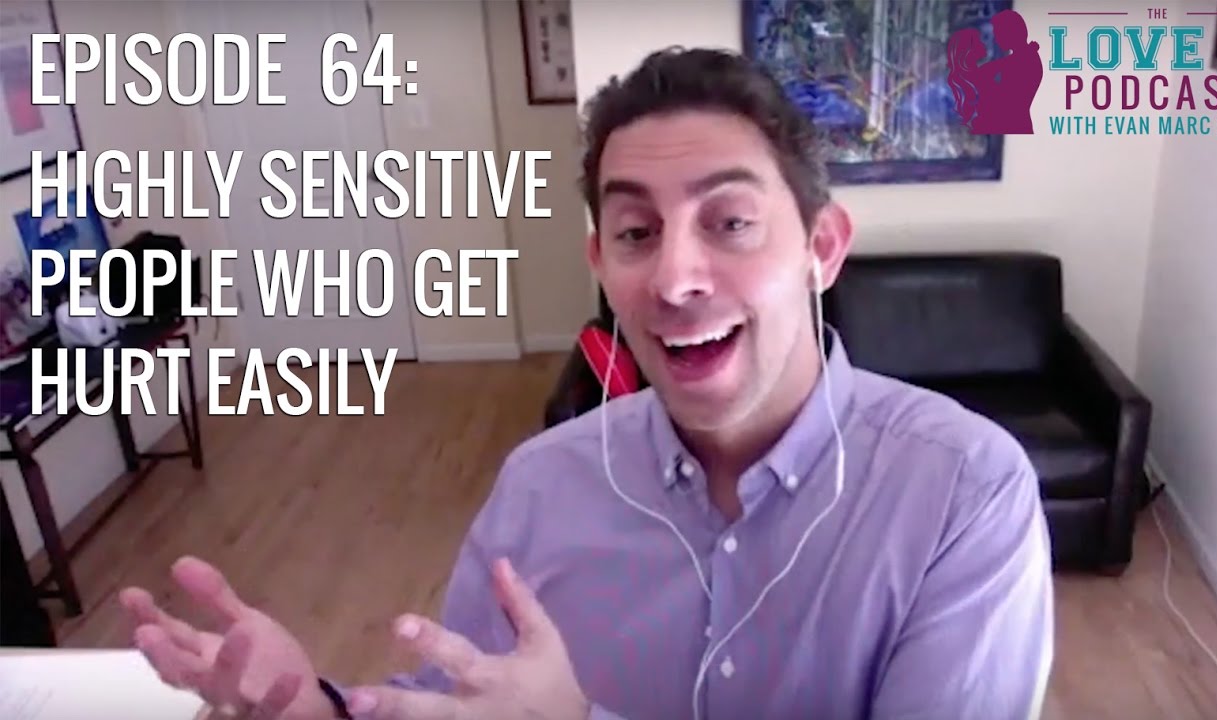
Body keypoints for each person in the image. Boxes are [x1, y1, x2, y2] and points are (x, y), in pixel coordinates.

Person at [120, 47, 1054, 720]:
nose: (675, 278)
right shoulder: (542, 483)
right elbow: (465, 704)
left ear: (821, 248)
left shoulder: (964, 492)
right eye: (637, 234)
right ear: (601, 264)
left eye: (729, 222)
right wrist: (319, 710)